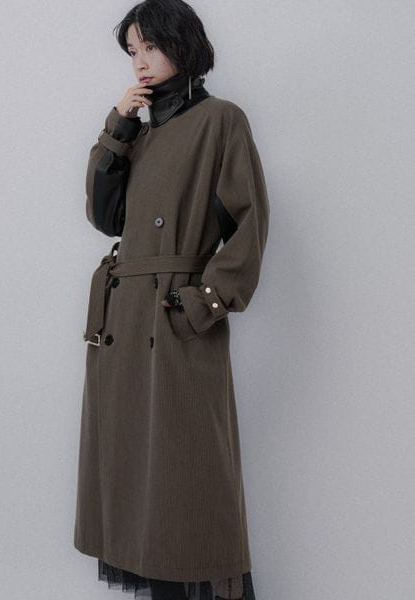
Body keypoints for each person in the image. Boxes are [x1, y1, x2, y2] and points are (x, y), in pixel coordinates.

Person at [74, 1, 270, 598]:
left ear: (183, 44)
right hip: (123, 320)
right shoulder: (139, 129)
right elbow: (104, 217)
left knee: (188, 471)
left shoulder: (220, 120)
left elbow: (250, 222)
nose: (140, 62)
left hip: (174, 316)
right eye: (132, 51)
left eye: (151, 47)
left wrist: (203, 302)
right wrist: (119, 125)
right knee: (133, 471)